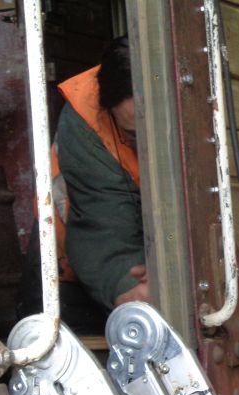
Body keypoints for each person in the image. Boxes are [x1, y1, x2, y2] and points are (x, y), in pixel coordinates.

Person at [33, 36, 148, 321]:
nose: (148, 145)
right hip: (74, 266)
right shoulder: (85, 123)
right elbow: (104, 226)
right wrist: (128, 287)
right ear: (107, 108)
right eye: (134, 135)